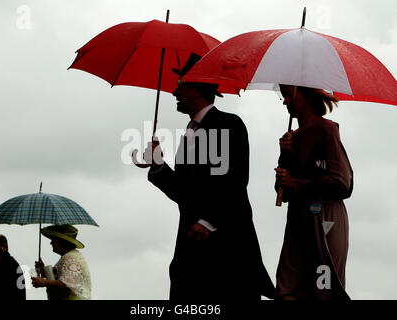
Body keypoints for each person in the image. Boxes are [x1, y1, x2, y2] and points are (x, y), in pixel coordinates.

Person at [145, 53, 274, 301]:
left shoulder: (229, 124)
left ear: (196, 89)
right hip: (192, 252)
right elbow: (184, 193)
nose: (174, 92)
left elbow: (235, 181)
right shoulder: (190, 133)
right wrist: (159, 165)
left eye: (180, 85)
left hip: (226, 250)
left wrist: (208, 221)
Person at [274, 84, 353, 300]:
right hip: (298, 223)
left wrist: (296, 183)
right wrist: (285, 156)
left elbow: (342, 182)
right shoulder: (292, 137)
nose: (285, 102)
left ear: (307, 98)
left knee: (322, 292)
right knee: (286, 290)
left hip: (324, 222)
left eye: (289, 95)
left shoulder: (327, 130)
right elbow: (283, 192)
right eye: (283, 96)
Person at [31, 225, 92, 300]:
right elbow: (63, 276)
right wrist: (44, 271)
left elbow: (67, 284)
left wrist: (44, 282)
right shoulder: (72, 256)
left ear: (61, 242)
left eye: (53, 240)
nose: (51, 243)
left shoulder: (70, 258)